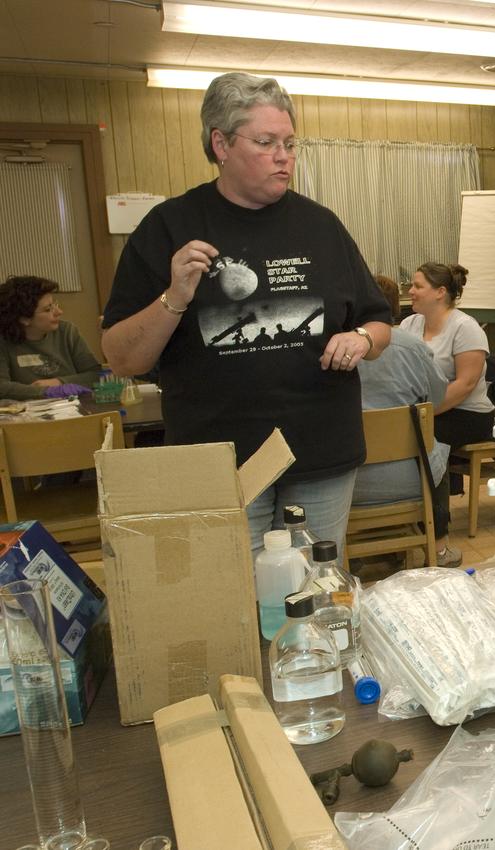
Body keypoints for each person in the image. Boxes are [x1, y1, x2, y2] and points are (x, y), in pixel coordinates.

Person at [101, 72, 391, 553]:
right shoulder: (168, 228)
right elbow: (122, 360)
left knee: (315, 596)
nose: (284, 156)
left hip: (321, 454)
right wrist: (174, 295)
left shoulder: (321, 226)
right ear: (221, 144)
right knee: (243, 601)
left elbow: (379, 322)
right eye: (265, 142)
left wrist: (361, 337)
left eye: (290, 143)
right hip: (220, 462)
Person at [352, 275, 455, 566]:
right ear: (397, 307)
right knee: (437, 452)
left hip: (349, 483)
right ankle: (439, 548)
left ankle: (353, 553)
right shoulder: (412, 347)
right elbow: (436, 398)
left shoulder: (335, 349)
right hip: (412, 480)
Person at [399, 262, 495, 561]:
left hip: (468, 413)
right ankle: (403, 527)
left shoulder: (466, 328)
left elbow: (465, 385)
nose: (410, 291)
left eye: (417, 286)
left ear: (440, 292)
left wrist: (423, 414)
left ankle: (437, 540)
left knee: (428, 439)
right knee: (399, 437)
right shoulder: (409, 325)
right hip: (425, 411)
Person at [0, 275, 101, 400]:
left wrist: (59, 382)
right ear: (24, 319)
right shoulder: (3, 342)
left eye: (55, 304)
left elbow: (96, 375)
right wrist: (44, 391)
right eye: (48, 309)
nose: (59, 312)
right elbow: (2, 388)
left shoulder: (67, 332)